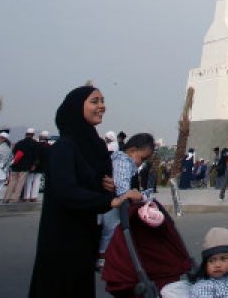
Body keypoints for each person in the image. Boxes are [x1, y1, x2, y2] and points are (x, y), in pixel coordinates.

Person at [28, 86, 142, 297]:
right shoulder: (64, 147)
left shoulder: (91, 147)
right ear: (75, 108)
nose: (101, 106)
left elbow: (91, 179)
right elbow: (65, 191)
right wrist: (110, 201)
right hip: (62, 237)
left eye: (102, 100)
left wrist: (105, 186)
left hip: (85, 235)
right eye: (94, 101)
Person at [100, 133, 157, 263]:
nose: (141, 163)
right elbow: (122, 189)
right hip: (113, 205)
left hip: (115, 204)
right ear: (132, 151)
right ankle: (104, 256)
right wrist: (140, 196)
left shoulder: (125, 161)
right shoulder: (123, 161)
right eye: (142, 158)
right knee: (113, 229)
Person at [3, 129, 39, 203]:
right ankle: (15, 198)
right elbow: (36, 156)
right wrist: (34, 165)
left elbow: (13, 153)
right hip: (25, 166)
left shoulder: (19, 143)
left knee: (12, 182)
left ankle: (6, 198)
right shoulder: (35, 143)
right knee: (20, 183)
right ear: (33, 135)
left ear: (26, 134)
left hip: (16, 165)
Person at [25, 129, 51, 200]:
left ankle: (26, 196)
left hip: (33, 165)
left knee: (29, 181)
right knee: (37, 181)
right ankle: (34, 197)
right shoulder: (49, 146)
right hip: (42, 166)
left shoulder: (35, 144)